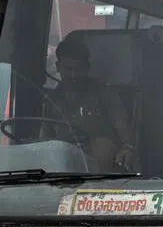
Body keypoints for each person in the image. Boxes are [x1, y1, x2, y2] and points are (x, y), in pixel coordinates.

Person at [42, 34, 134, 171]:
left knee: (102, 144)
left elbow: (121, 124)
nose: (73, 75)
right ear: (58, 66)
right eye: (68, 69)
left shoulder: (103, 92)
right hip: (63, 160)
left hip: (99, 159)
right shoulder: (51, 99)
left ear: (87, 68)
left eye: (78, 69)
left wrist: (127, 147)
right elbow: (45, 136)